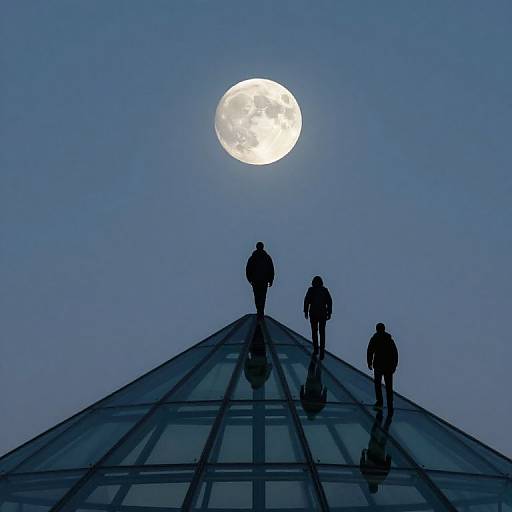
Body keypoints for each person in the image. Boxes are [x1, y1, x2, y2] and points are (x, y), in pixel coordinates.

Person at [367, 323, 399, 413]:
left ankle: (380, 402)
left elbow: (370, 351)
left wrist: (369, 362)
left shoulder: (375, 338)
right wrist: (394, 366)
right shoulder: (388, 340)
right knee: (388, 386)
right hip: (387, 367)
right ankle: (389, 403)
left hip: (379, 365)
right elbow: (395, 354)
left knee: (378, 384)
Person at [360, 411, 393, 494]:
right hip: (372, 453)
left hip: (381, 454)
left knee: (383, 438)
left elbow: (387, 468)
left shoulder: (380, 480)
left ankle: (387, 422)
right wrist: (363, 455)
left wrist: (388, 457)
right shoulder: (367, 477)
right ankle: (379, 419)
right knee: (374, 435)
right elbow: (362, 466)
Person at [303, 276, 332, 358]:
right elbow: (329, 302)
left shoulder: (311, 290)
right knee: (322, 332)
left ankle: (316, 349)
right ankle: (321, 351)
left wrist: (305, 311)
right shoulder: (324, 290)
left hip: (313, 314)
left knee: (314, 332)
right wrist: (329, 312)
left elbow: (307, 301)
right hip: (322, 314)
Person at [246, 242, 274, 318]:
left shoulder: (253, 258)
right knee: (262, 296)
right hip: (261, 281)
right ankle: (260, 310)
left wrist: (250, 279)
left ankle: (260, 310)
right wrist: (271, 280)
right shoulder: (266, 257)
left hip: (257, 281)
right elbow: (271, 270)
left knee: (257, 296)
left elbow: (248, 270)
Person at [300, 353, 328, 419]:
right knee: (312, 371)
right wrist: (302, 389)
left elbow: (323, 401)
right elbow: (302, 398)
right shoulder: (306, 408)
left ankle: (318, 359)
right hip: (311, 388)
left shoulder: (317, 409)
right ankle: (315, 358)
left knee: (317, 373)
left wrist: (324, 391)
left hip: (315, 389)